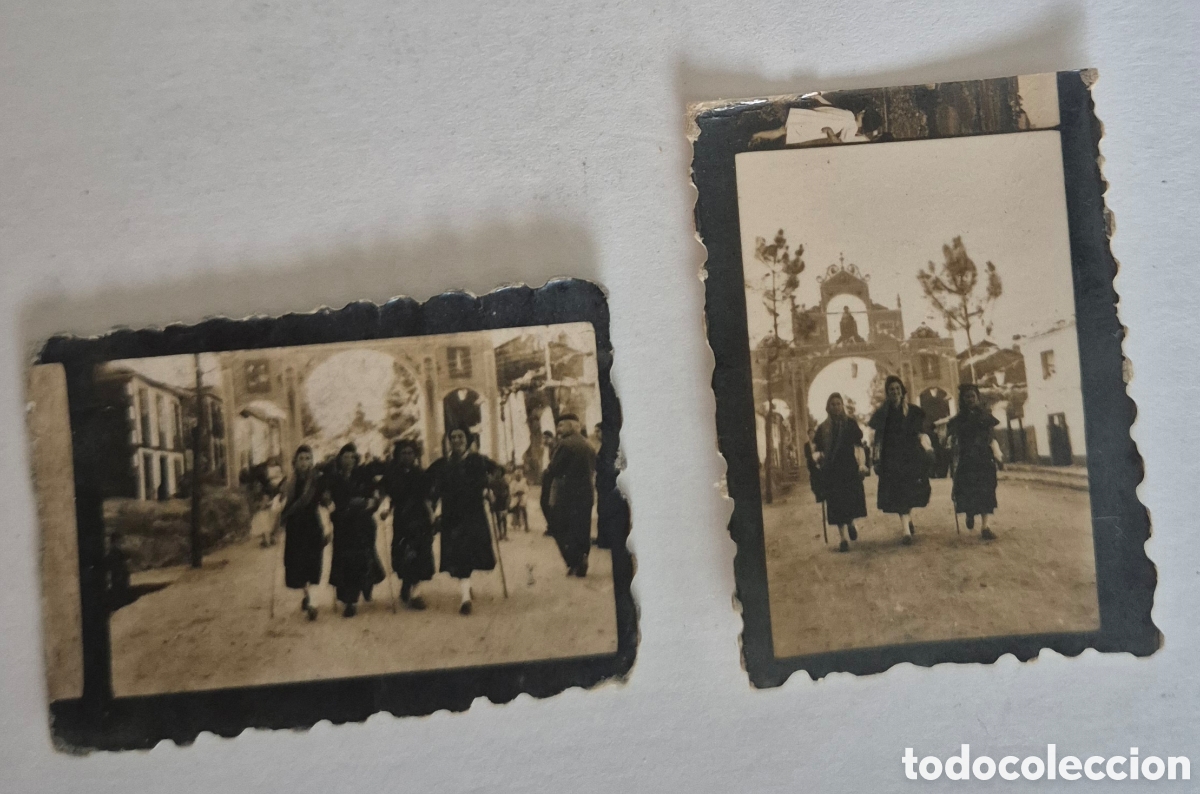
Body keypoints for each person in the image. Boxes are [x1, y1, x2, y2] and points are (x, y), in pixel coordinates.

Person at [427, 429, 503, 615]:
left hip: (474, 513)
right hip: (452, 515)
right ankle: (465, 598)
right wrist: (432, 509)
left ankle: (465, 588)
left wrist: (489, 488)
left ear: (467, 440)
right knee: (460, 557)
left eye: (460, 437)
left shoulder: (478, 460)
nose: (456, 440)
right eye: (452, 438)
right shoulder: (444, 464)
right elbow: (431, 486)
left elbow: (499, 470)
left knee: (470, 553)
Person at [868, 375, 932, 545]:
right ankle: (906, 531)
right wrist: (876, 460)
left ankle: (907, 518)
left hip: (911, 457)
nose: (895, 392)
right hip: (892, 460)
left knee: (909, 492)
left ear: (902, 391)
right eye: (891, 390)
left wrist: (928, 448)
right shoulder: (883, 414)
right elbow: (878, 440)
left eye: (897, 389)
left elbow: (920, 433)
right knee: (898, 494)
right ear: (887, 394)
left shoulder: (912, 411)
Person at [324, 443, 385, 617]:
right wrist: (327, 501)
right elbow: (326, 497)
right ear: (339, 459)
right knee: (344, 561)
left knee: (365, 557)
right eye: (345, 456)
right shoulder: (334, 478)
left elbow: (375, 494)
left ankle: (367, 584)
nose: (349, 460)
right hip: (343, 525)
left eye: (352, 456)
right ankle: (349, 601)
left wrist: (371, 502)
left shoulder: (364, 474)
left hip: (363, 523)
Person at [379, 439, 435, 610]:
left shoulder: (422, 474)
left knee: (419, 553)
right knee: (404, 553)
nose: (407, 456)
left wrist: (432, 516)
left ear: (415, 455)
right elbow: (388, 497)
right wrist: (386, 510)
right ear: (398, 455)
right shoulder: (392, 475)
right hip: (402, 519)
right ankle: (406, 583)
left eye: (410, 453)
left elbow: (426, 498)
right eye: (403, 453)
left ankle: (416, 593)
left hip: (419, 519)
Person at [812, 393, 869, 553]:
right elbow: (818, 449)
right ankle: (843, 538)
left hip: (849, 468)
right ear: (828, 407)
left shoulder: (850, 424)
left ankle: (851, 523)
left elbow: (858, 445)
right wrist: (819, 458)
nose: (836, 407)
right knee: (836, 504)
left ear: (842, 406)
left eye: (838, 404)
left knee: (850, 501)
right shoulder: (823, 428)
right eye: (833, 404)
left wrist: (861, 465)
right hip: (832, 471)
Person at [947, 383, 1002, 541]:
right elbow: (953, 436)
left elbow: (991, 438)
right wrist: (951, 442)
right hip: (967, 460)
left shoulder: (985, 417)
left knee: (986, 491)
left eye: (972, 396)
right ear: (963, 400)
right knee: (968, 491)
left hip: (984, 459)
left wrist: (998, 456)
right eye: (967, 397)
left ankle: (985, 527)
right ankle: (970, 513)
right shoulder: (959, 419)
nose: (970, 399)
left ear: (977, 398)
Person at [545, 413, 597, 577]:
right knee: (582, 527)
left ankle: (573, 561)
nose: (558, 429)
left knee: (562, 528)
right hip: (586, 493)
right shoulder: (588, 444)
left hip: (567, 494)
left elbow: (554, 468)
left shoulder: (565, 444)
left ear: (571, 426)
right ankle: (582, 558)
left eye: (561, 425)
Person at [280, 445, 326, 620]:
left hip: (313, 526)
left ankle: (313, 603)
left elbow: (325, 502)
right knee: (297, 566)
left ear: (312, 461)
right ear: (295, 462)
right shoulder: (288, 483)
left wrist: (329, 526)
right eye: (301, 459)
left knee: (314, 565)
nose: (305, 462)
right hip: (295, 529)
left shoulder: (317, 481)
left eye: (308, 458)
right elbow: (281, 503)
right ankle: (307, 594)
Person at [539, 430, 558, 536]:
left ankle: (552, 526)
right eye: (543, 438)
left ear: (551, 438)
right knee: (545, 502)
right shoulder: (546, 449)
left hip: (551, 478)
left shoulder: (555, 448)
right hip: (546, 478)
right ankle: (551, 525)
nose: (544, 440)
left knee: (548, 502)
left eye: (546, 438)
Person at [508, 468, 529, 533]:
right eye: (517, 475)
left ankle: (526, 525)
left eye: (519, 475)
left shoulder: (524, 481)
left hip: (522, 497)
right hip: (515, 497)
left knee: (523, 508)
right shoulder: (513, 482)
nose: (518, 476)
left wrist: (521, 492)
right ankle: (516, 523)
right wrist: (516, 493)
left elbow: (526, 490)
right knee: (515, 507)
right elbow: (511, 492)